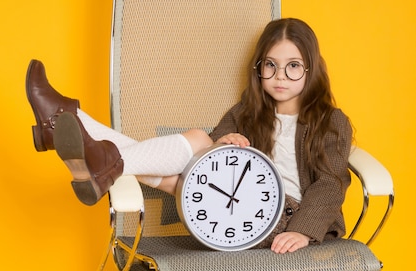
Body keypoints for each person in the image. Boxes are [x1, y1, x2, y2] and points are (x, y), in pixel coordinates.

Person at [26, 18, 352, 254]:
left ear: (311, 70)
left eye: (293, 66)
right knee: (193, 153)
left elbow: (330, 183)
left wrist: (302, 231)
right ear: (258, 69)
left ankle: (70, 127)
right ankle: (84, 142)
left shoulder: (330, 121)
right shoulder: (248, 113)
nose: (280, 76)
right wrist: (223, 142)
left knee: (190, 152)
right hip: (223, 216)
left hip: (282, 218)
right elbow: (215, 146)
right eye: (270, 65)